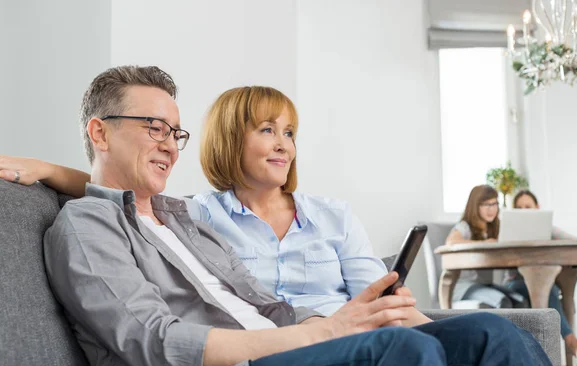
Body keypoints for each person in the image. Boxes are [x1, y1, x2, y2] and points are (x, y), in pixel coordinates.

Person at [9, 65, 566, 366]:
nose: (169, 143)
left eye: (174, 131)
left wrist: (334, 322)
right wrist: (316, 336)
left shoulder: (181, 217)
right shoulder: (87, 226)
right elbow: (157, 346)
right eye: (152, 127)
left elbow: (268, 307)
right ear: (99, 132)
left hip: (276, 353)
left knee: (491, 335)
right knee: (398, 356)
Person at [0, 86, 388, 316]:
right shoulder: (197, 215)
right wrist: (48, 170)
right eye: (268, 129)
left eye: (289, 133)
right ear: (232, 140)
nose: (283, 144)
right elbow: (126, 193)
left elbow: (378, 299)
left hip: (351, 336)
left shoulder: (334, 216)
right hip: (278, 350)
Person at [507, 189, 577, 363]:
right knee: (549, 289)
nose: (524, 211)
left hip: (546, 286)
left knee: (550, 289)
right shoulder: (509, 232)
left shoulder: (548, 229)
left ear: (537, 208)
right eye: (519, 208)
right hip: (515, 285)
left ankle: (563, 349)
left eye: (528, 206)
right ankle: (571, 341)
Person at [445, 185, 527, 308]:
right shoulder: (464, 227)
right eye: (486, 205)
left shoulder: (494, 228)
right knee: (503, 302)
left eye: (495, 204)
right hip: (464, 287)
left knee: (520, 302)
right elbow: (451, 242)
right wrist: (484, 244)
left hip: (485, 285)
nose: (492, 209)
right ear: (475, 206)